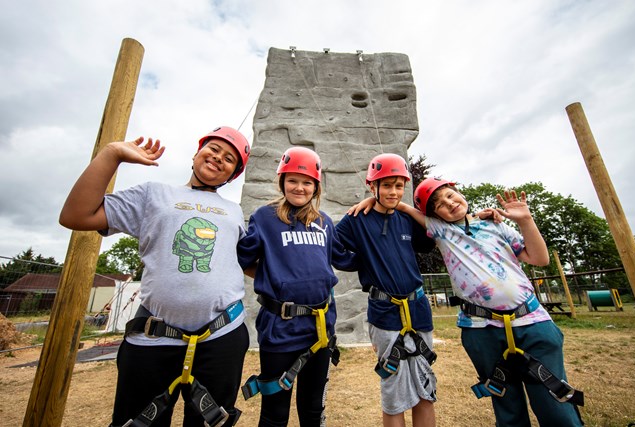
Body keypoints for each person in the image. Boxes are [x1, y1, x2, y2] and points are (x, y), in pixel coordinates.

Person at [59, 127, 251, 427]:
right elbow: (76, 215)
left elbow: (247, 262)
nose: (218, 158)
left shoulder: (235, 212)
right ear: (196, 153)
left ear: (233, 174)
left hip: (221, 336)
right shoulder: (153, 194)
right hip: (154, 337)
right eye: (213, 149)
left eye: (229, 158)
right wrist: (112, 155)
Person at [403, 177, 583, 426]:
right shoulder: (442, 232)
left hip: (532, 321)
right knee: (506, 403)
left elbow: (540, 259)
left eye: (450, 195)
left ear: (460, 193)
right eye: (439, 204)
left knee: (554, 402)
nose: (449, 203)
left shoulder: (496, 226)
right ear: (435, 216)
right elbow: (404, 208)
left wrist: (525, 220)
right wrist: (376, 197)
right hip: (481, 329)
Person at [237, 146, 357, 427]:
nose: (299, 187)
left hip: (320, 329)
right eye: (292, 180)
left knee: (313, 410)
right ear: (282, 182)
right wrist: (273, 277)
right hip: (280, 328)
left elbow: (345, 259)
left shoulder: (325, 222)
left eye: (307, 183)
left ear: (316, 187)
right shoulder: (265, 217)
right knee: (275, 413)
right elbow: (242, 259)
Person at [335, 153, 438, 427]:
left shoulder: (406, 220)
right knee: (394, 387)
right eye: (386, 185)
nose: (394, 192)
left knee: (425, 387)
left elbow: (435, 234)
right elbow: (332, 248)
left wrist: (406, 209)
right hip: (384, 311)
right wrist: (362, 260)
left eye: (399, 185)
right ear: (372, 186)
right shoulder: (357, 219)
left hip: (418, 309)